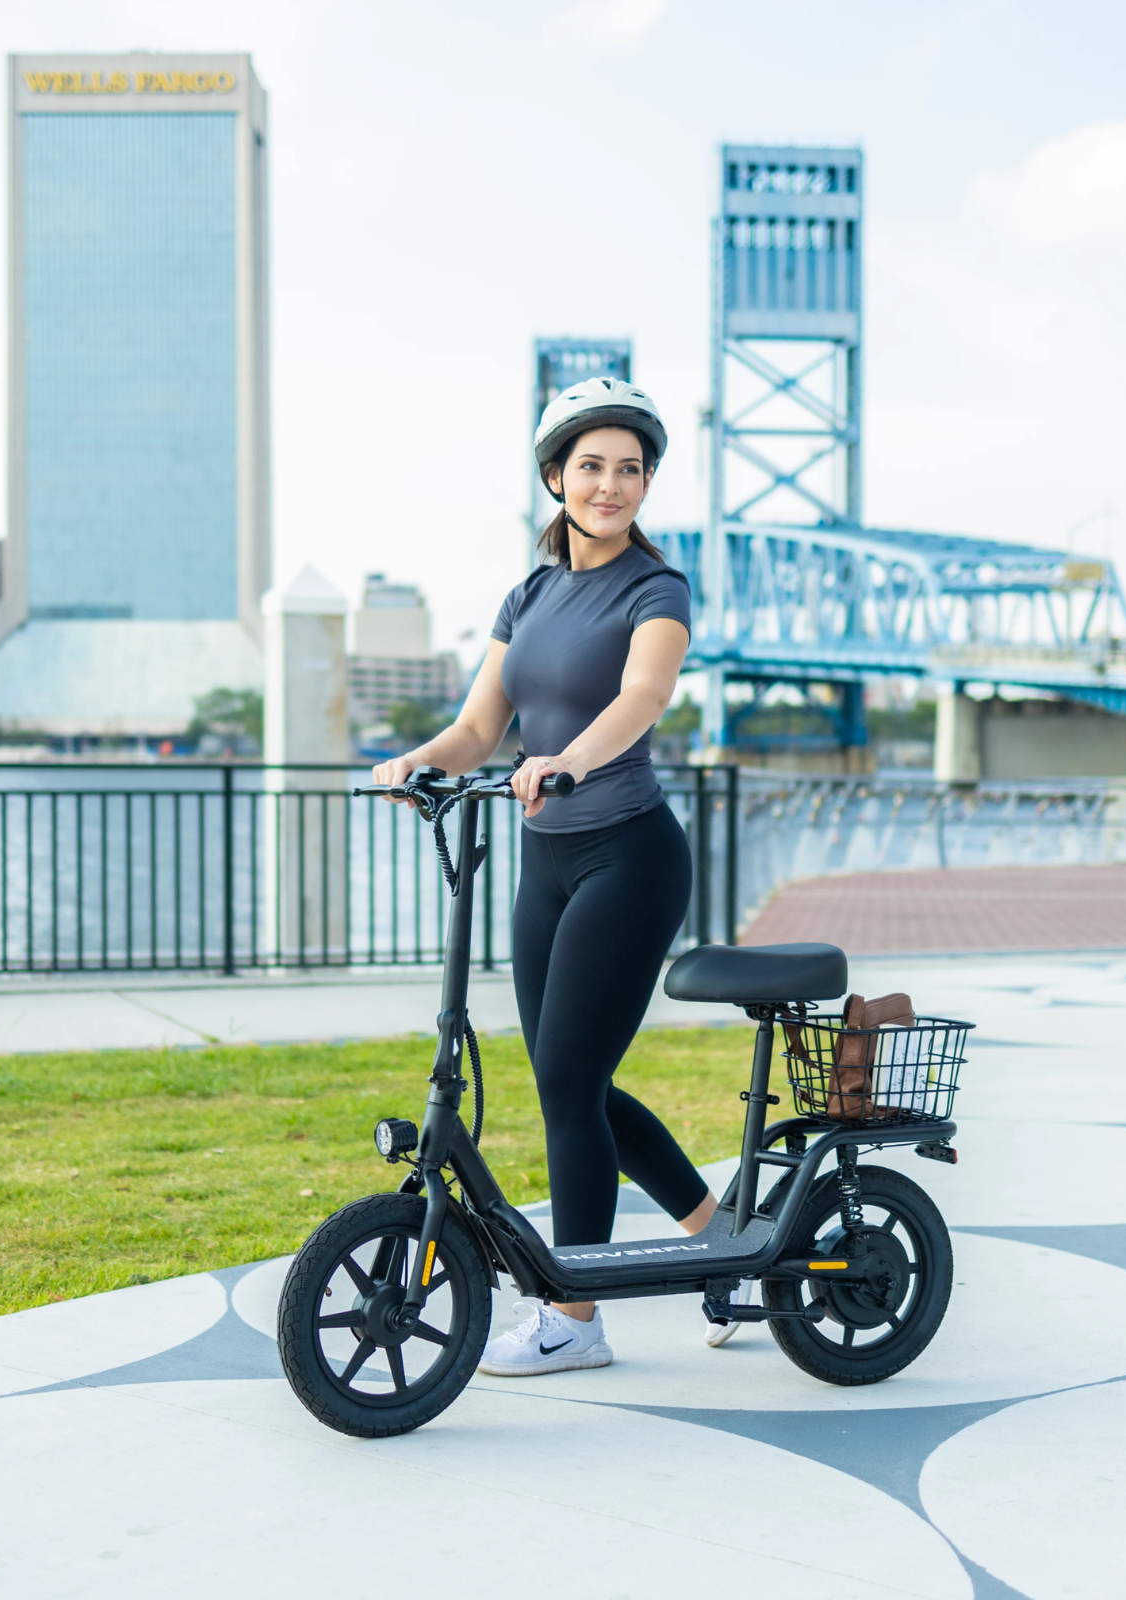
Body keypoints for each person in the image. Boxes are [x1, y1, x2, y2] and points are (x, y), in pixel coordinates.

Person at [371, 377, 751, 1374]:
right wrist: (419, 761)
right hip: (543, 859)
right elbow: (478, 726)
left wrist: (571, 757)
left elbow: (646, 692)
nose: (610, 484)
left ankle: (575, 1318)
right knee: (564, 1080)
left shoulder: (655, 588)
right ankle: (721, 1239)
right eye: (591, 466)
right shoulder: (529, 594)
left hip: (627, 854)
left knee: (571, 1081)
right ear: (554, 477)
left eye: (631, 469)